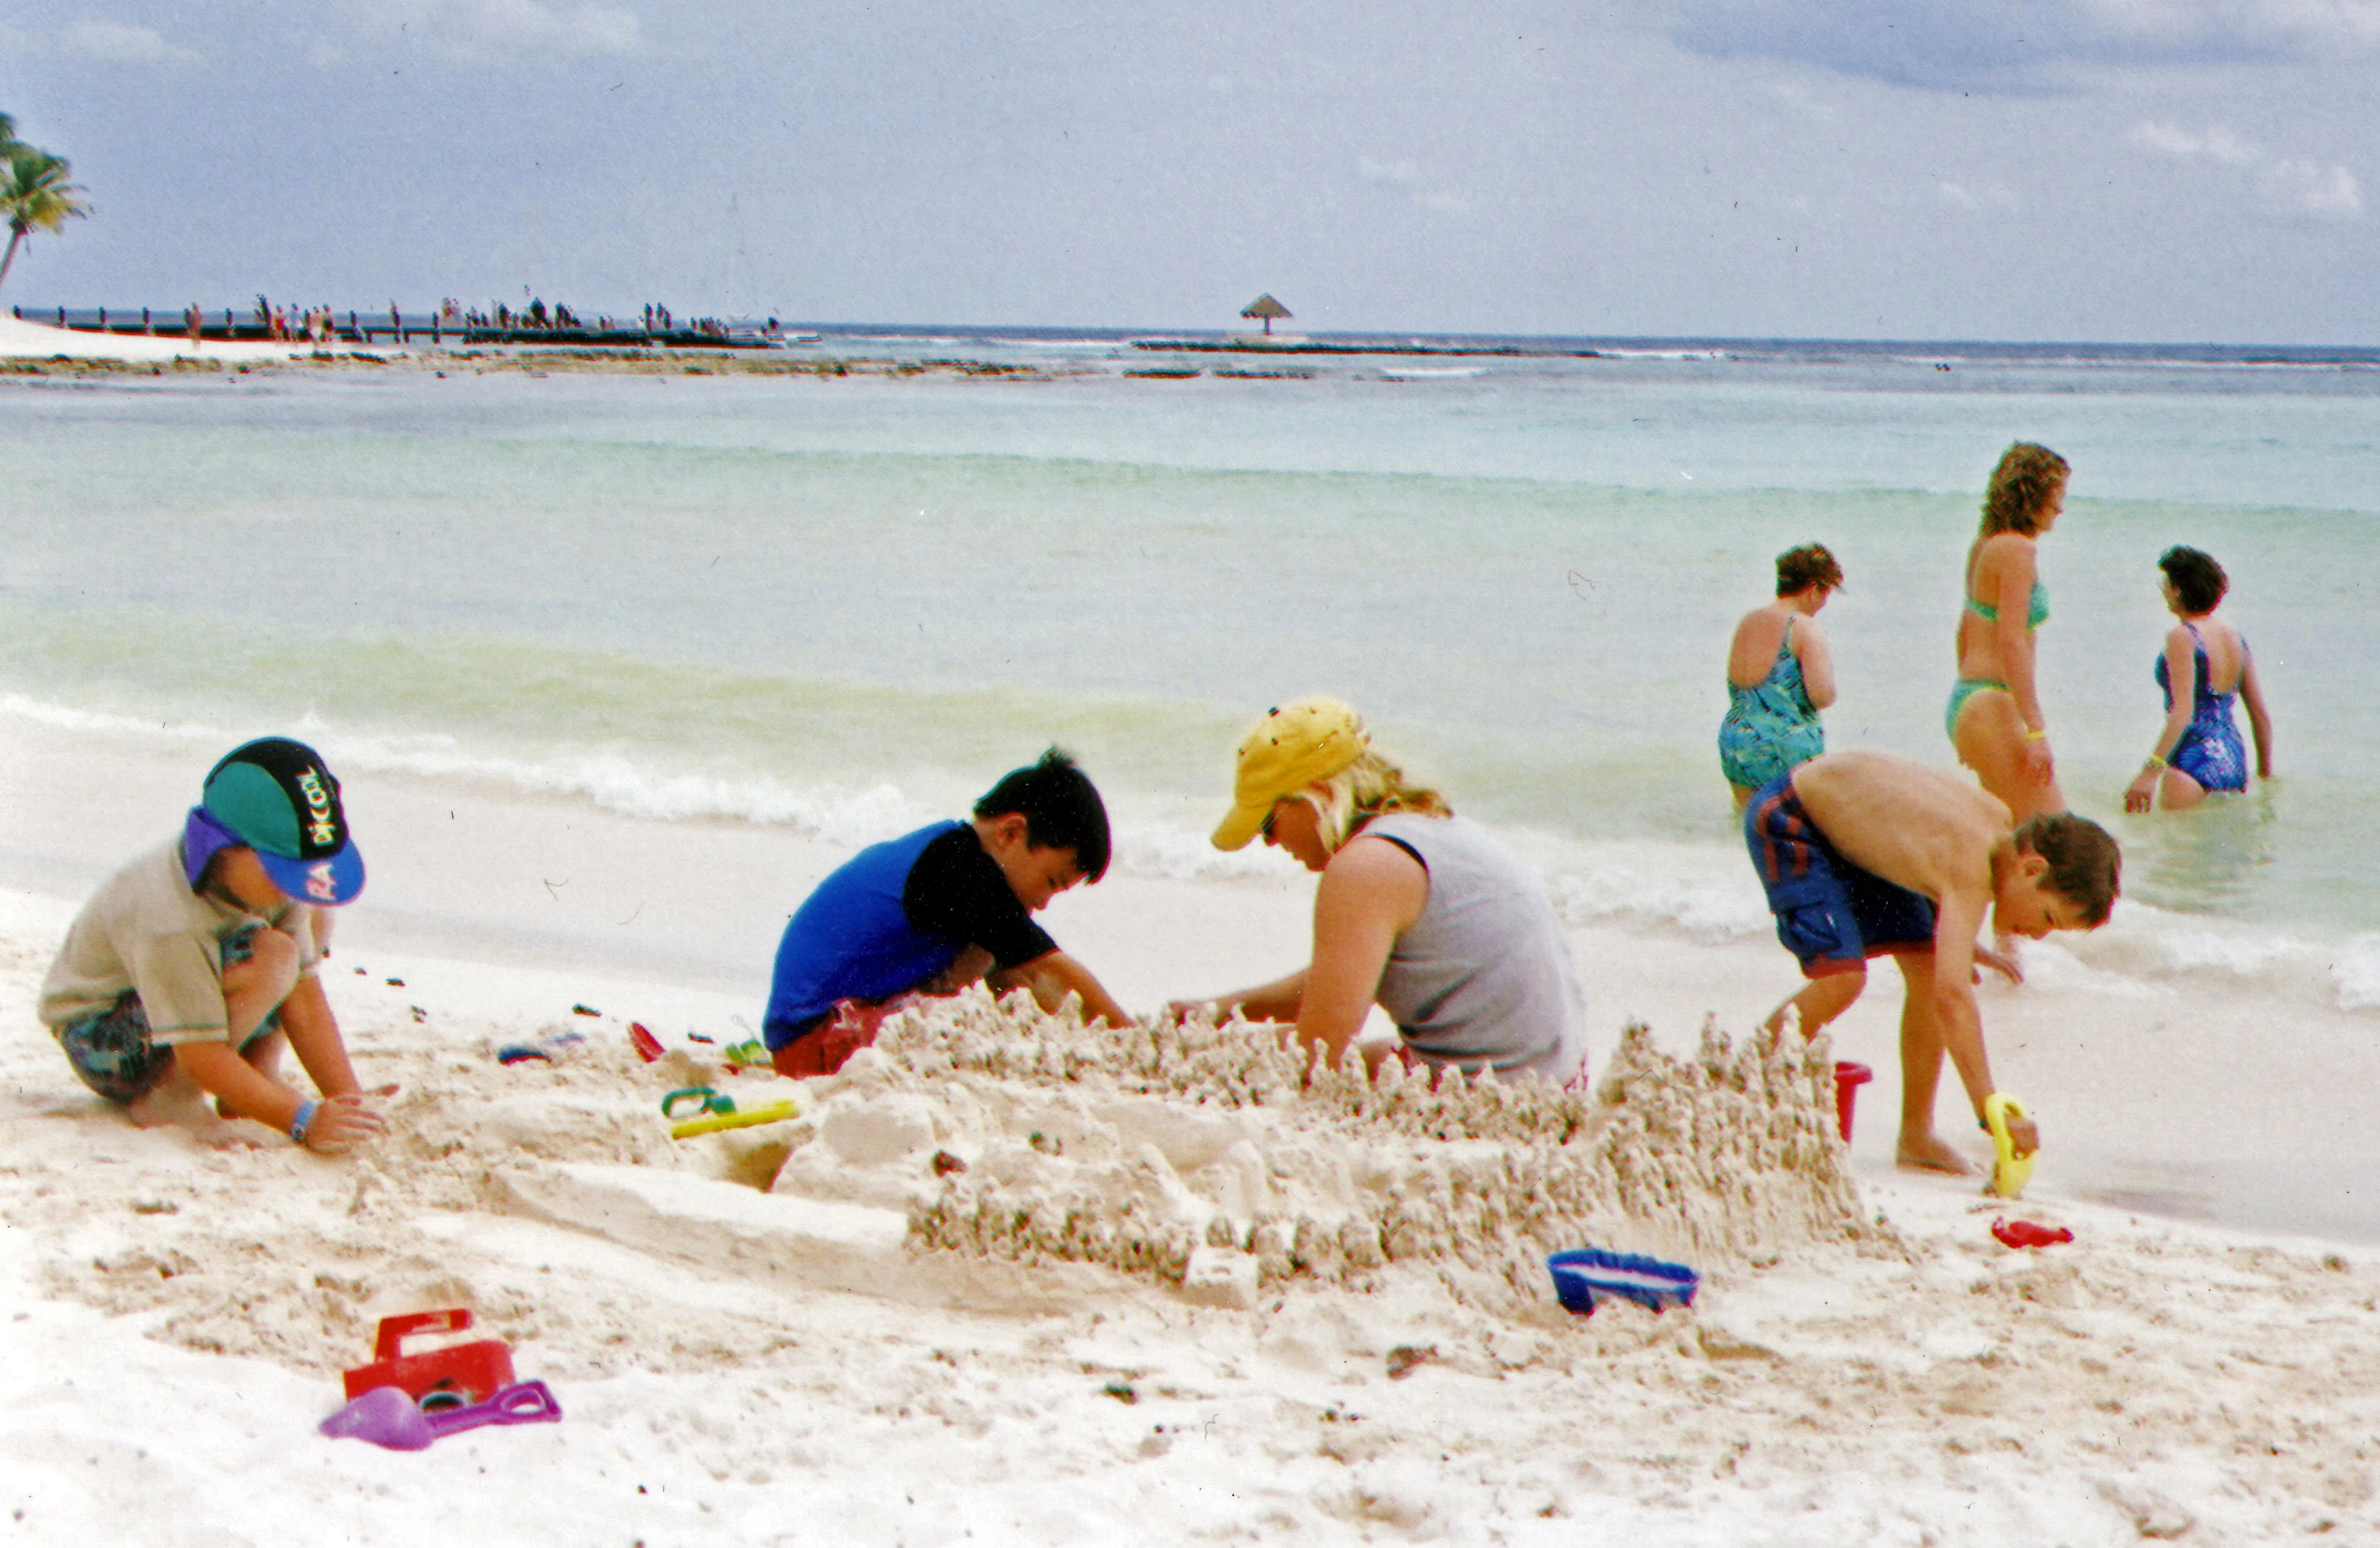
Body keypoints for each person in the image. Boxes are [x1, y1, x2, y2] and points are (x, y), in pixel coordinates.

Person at [1170, 697, 1588, 1086]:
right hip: (1556, 1079)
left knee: (1301, 1061)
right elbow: (1342, 980)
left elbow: (1318, 1053)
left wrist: (1205, 1045)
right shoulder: (1432, 829)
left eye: (1268, 824)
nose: (1270, 843)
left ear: (1317, 797)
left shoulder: (1363, 867)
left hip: (1492, 1094)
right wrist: (1224, 1010)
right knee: (1377, 1055)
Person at [1744, 749, 2118, 1172]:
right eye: (2047, 917)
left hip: (1856, 835)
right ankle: (1732, 1087)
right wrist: (1987, 1107)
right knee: (1843, 978)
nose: (2037, 935)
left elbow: (1917, 844)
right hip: (1794, 818)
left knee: (1925, 973)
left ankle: (1916, 1135)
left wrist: (1956, 942)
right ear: (2031, 869)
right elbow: (1953, 996)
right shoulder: (1972, 864)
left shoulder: (1997, 826)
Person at [37, 738, 389, 1154]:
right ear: (223, 847)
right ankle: (172, 1098)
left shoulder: (263, 887)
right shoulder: (168, 918)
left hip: (174, 1008)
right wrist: (302, 1120)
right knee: (274, 957)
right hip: (102, 1037)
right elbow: (201, 1053)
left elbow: (306, 1002)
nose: (292, 887)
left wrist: (349, 1099)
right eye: (284, 871)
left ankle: (256, 1075)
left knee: (313, 916)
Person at [763, 749, 1132, 1076]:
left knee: (998, 950)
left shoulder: (954, 853)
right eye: (1052, 881)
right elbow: (1043, 970)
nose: (1044, 901)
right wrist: (1128, 1040)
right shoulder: (958, 871)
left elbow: (1013, 980)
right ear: (1010, 833)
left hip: (817, 1026)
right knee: (1006, 959)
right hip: (813, 1038)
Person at [1949, 442, 2070, 823]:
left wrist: (1967, 723)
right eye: (2056, 496)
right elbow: (2011, 642)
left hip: (1970, 701)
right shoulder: (2018, 549)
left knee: (2010, 840)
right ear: (2031, 494)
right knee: (2053, 837)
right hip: (1990, 704)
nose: (2061, 507)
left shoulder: (1984, 545)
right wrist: (2035, 732)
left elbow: (1963, 631)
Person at [2124, 546, 2275, 813]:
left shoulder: (2182, 636)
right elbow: (2260, 715)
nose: (2163, 591)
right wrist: (2264, 776)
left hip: (2191, 759)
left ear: (2178, 589)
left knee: (2178, 849)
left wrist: (2149, 773)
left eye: (2166, 584)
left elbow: (2183, 713)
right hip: (2232, 759)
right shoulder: (2234, 638)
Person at [1719, 542, 1842, 808]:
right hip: (1785, 746)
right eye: (1826, 593)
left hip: (1737, 739)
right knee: (1789, 834)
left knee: (1748, 827)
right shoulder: (1804, 627)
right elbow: (1822, 696)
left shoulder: (1749, 621)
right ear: (1812, 590)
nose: (1823, 603)